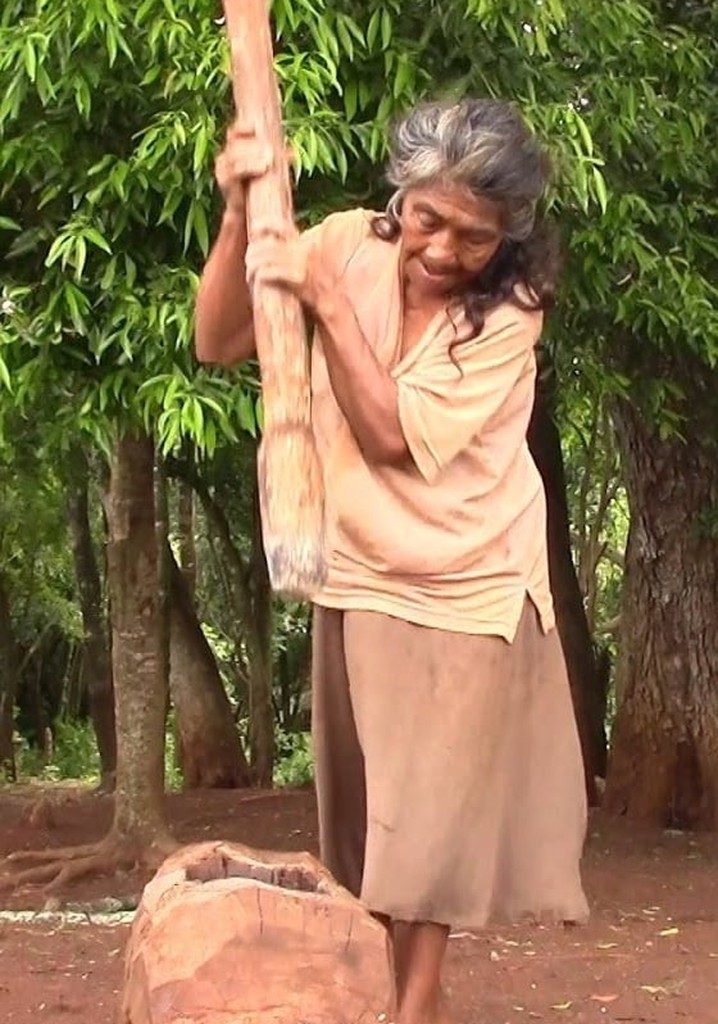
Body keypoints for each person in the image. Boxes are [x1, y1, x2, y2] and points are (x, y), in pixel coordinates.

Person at [195, 97, 589, 1024]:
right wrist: (238, 214)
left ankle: (414, 1010)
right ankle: (374, 1002)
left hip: (465, 584)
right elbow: (219, 342)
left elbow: (384, 435)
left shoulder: (509, 317)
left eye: (477, 237)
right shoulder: (344, 244)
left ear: (511, 240)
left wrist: (323, 298)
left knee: (424, 850)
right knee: (369, 841)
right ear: (400, 195)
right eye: (429, 219)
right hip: (359, 577)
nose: (447, 251)